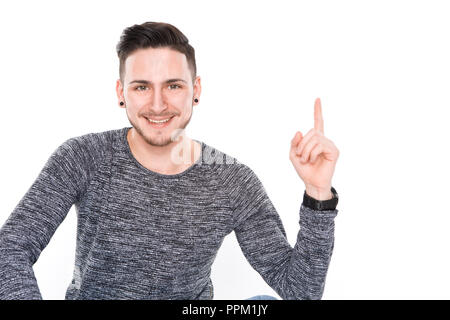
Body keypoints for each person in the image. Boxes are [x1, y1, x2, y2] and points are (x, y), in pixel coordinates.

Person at [0, 21, 340, 300]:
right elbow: (10, 248)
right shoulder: (84, 157)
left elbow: (300, 292)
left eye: (174, 86)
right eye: (142, 87)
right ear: (121, 93)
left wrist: (318, 194)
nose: (159, 105)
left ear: (196, 89)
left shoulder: (233, 181)